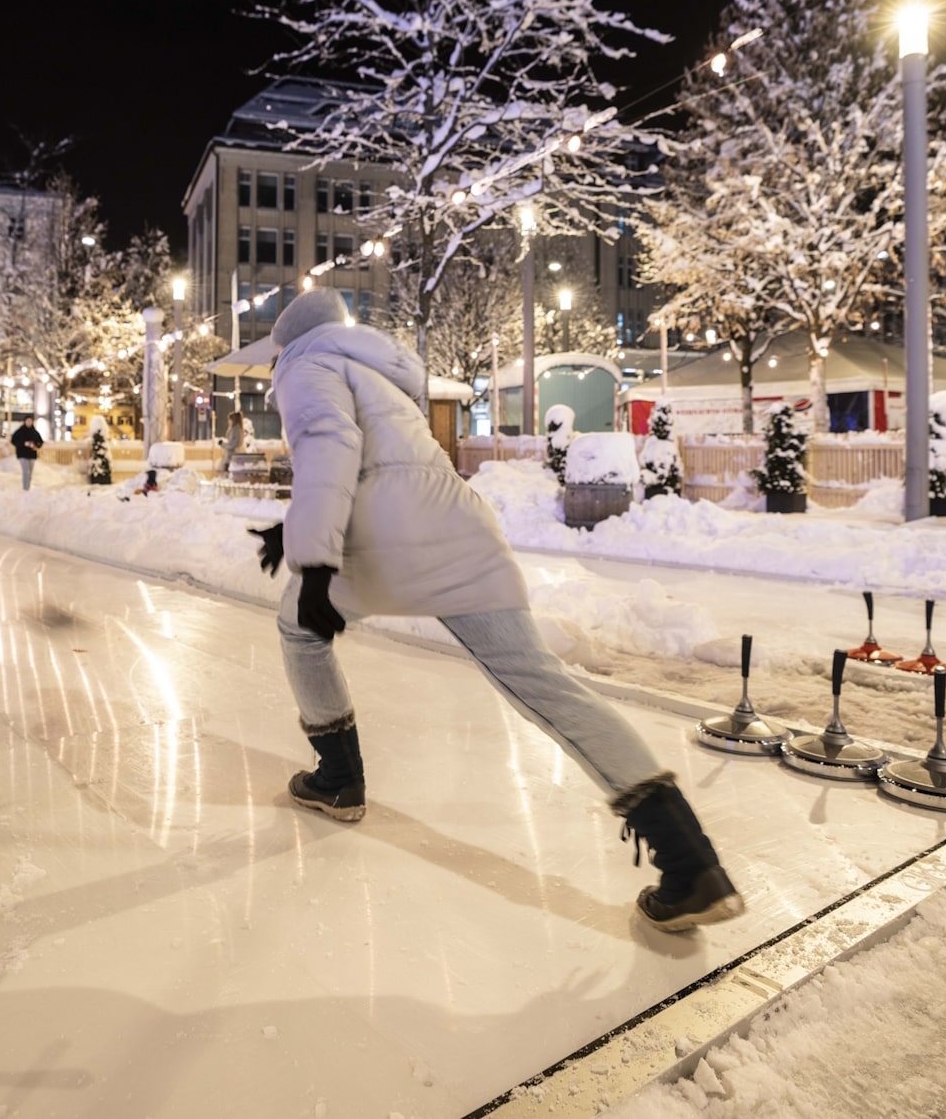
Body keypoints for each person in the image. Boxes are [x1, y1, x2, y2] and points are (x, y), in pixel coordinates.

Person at [251, 288, 742, 932]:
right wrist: (295, 532)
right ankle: (690, 860)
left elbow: (329, 448)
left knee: (299, 628)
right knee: (541, 680)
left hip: (385, 547)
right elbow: (385, 464)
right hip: (460, 531)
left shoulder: (305, 366)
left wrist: (313, 564)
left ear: (287, 342)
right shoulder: (375, 369)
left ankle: (339, 777)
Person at [11, 414, 44, 491]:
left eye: (30, 421)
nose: (29, 422)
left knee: (30, 472)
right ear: (25, 421)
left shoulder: (35, 432)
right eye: (27, 421)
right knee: (26, 471)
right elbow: (13, 441)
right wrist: (23, 443)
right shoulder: (20, 431)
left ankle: (28, 487)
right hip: (22, 454)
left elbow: (40, 442)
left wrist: (36, 445)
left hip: (32, 455)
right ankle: (25, 488)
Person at [220, 410, 248, 476]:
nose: (228, 421)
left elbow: (232, 444)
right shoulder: (238, 429)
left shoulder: (235, 430)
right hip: (233, 457)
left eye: (229, 419)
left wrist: (222, 444)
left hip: (232, 457)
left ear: (233, 420)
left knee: (229, 477)